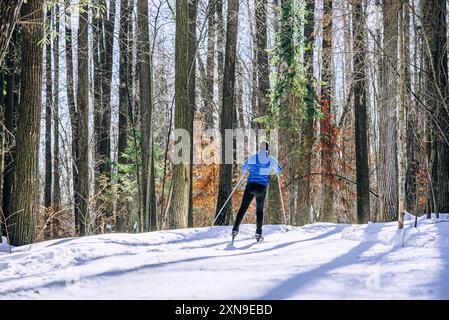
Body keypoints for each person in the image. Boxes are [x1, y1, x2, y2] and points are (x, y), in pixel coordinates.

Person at [232, 140, 282, 242]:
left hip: (250, 186)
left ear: (260, 148)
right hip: (261, 188)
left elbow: (244, 168)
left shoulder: (253, 158)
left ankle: (235, 229)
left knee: (243, 208)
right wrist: (270, 170)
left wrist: (250, 169)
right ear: (267, 149)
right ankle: (258, 233)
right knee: (259, 210)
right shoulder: (270, 160)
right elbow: (279, 170)